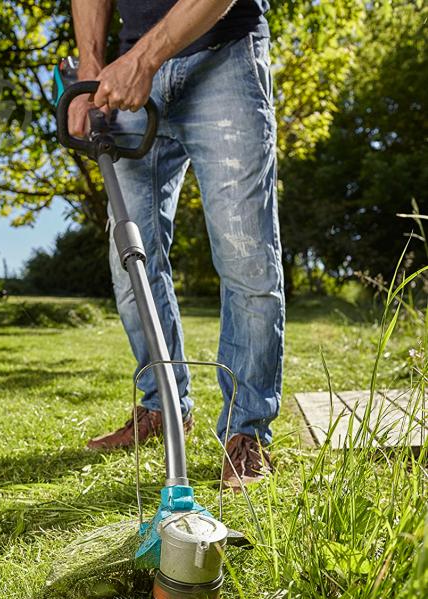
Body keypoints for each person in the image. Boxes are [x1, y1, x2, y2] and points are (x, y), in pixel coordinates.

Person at [68, 0, 284, 488]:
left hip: (223, 55)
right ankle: (162, 407)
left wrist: (144, 60)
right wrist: (90, 68)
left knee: (245, 256)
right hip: (127, 78)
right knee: (130, 263)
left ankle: (246, 433)